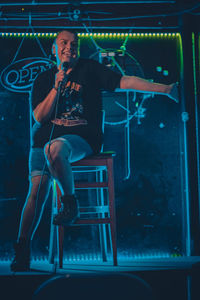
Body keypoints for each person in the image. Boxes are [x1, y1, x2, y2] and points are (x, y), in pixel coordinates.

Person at [10, 29, 179, 272]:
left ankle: (70, 203)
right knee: (36, 191)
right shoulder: (45, 79)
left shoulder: (90, 69)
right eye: (64, 43)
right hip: (42, 141)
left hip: (79, 138)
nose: (70, 47)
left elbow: (125, 81)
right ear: (53, 49)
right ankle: (22, 250)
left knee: (55, 149)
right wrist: (57, 87)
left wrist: (164, 88)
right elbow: (39, 116)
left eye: (74, 43)